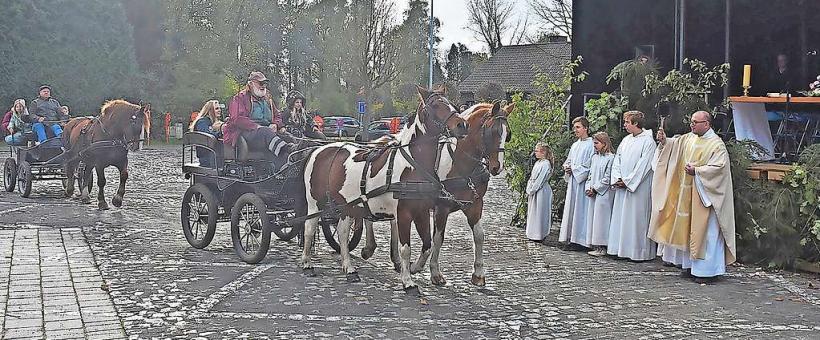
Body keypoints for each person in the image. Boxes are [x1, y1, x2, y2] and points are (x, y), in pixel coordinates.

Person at [650, 111, 737, 284]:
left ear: (707, 124)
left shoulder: (716, 145)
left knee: (706, 233)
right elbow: (674, 146)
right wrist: (664, 141)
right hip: (688, 195)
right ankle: (690, 267)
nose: (692, 125)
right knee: (689, 230)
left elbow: (718, 169)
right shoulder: (689, 138)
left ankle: (708, 272)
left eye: (696, 122)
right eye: (691, 122)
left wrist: (697, 171)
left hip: (705, 197)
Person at [607, 110, 657, 261]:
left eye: (627, 122)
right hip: (623, 185)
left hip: (638, 188)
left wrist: (628, 181)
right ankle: (620, 249)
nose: (624, 125)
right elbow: (617, 160)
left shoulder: (648, 142)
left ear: (636, 123)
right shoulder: (626, 140)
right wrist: (617, 178)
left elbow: (645, 165)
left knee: (636, 219)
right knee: (621, 218)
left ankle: (637, 252)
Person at [222, 71, 293, 169]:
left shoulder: (268, 99)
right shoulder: (239, 98)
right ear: (251, 84)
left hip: (267, 134)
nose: (263, 86)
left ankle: (290, 163)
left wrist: (276, 125)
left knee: (289, 136)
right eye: (260, 83)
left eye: (265, 83)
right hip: (246, 133)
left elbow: (278, 116)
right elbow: (237, 119)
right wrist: (257, 127)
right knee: (265, 132)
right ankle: (287, 149)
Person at [559, 117, 594, 249]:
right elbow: (569, 160)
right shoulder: (575, 144)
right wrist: (567, 167)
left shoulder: (591, 144)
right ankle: (571, 238)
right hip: (573, 181)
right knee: (572, 209)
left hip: (583, 182)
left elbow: (590, 165)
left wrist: (575, 170)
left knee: (581, 210)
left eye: (578, 127)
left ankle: (582, 240)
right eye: (574, 128)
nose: (575, 130)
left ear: (586, 128)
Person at [584, 132, 615, 256]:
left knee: (602, 220)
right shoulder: (595, 157)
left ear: (604, 143)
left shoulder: (611, 158)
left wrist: (596, 189)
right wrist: (588, 187)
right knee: (593, 218)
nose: (594, 146)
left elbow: (607, 177)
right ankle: (595, 244)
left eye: (596, 143)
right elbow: (590, 174)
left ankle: (603, 245)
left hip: (604, 194)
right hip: (594, 192)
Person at [526, 142, 554, 242]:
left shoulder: (546, 164)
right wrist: (529, 188)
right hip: (534, 189)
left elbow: (540, 179)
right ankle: (532, 233)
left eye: (537, 151)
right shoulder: (538, 163)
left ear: (543, 152)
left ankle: (540, 234)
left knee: (540, 212)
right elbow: (532, 177)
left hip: (541, 190)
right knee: (533, 211)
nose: (535, 153)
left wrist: (533, 189)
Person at [189, 100, 224, 167]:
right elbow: (208, 137)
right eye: (216, 108)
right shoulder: (202, 122)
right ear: (210, 110)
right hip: (207, 156)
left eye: (219, 108)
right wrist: (220, 131)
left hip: (216, 153)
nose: (219, 110)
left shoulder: (215, 122)